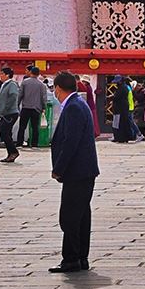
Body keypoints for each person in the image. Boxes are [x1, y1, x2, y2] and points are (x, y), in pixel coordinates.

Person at [48, 71, 99, 273]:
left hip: (77, 171)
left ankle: (71, 258)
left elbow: (71, 141)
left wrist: (58, 168)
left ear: (59, 88)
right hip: (83, 170)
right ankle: (80, 257)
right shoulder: (77, 104)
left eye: (55, 89)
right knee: (80, 216)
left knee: (69, 216)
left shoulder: (73, 108)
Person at [0, 67, 22, 162]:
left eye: (2, 74)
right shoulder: (4, 84)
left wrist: (6, 108)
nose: (0, 76)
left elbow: (13, 96)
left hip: (10, 113)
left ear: (7, 75)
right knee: (5, 132)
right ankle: (10, 153)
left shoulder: (12, 84)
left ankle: (13, 151)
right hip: (4, 113)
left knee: (4, 132)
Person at [18, 67, 47, 148]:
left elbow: (20, 95)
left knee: (22, 126)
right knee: (35, 127)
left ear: (31, 72)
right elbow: (44, 98)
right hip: (36, 108)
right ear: (38, 74)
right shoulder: (42, 85)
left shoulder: (24, 82)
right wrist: (44, 108)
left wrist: (17, 105)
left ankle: (19, 143)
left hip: (25, 107)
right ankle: (34, 144)